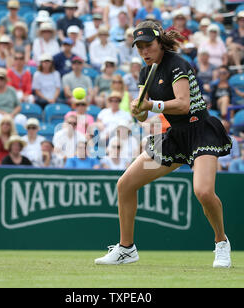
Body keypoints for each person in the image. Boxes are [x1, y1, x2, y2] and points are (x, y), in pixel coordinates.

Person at [94, 21, 233, 268]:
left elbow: (183, 104)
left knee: (203, 191)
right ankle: (127, 249)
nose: (144, 52)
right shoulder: (145, 72)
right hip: (175, 136)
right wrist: (138, 109)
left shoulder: (177, 64)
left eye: (149, 45)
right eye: (140, 48)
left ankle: (221, 243)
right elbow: (143, 115)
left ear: (160, 43)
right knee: (125, 185)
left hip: (200, 131)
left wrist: (150, 106)